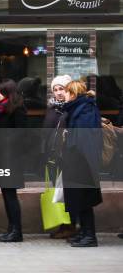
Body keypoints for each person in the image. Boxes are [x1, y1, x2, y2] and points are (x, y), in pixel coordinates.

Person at [61, 81, 103, 247]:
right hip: (76, 160)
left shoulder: (85, 109)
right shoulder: (76, 108)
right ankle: (83, 232)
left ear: (73, 93)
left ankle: (90, 236)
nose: (63, 95)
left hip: (83, 162)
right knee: (78, 200)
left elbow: (86, 138)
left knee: (84, 200)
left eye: (66, 91)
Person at [0, 79, 27, 243]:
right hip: (3, 157)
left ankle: (16, 231)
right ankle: (11, 228)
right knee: (5, 193)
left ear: (7, 92)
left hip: (12, 158)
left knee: (10, 194)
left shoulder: (17, 109)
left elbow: (21, 134)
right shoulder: (1, 108)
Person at [43, 75, 76, 240]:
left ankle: (71, 225)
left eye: (61, 89)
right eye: (55, 90)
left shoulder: (71, 109)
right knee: (58, 192)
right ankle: (63, 224)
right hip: (53, 155)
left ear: (68, 89)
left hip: (67, 156)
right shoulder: (52, 108)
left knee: (68, 192)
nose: (58, 93)